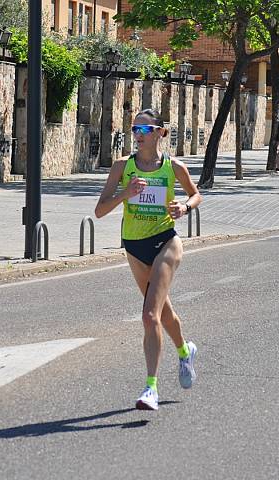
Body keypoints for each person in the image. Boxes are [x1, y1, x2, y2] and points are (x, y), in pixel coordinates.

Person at [95, 109, 202, 411]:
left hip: (166, 241)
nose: (138, 134)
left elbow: (196, 195)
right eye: (135, 128)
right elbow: (100, 210)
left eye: (145, 128)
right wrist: (124, 194)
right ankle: (185, 351)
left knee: (149, 316)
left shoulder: (173, 166)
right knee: (162, 311)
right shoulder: (122, 167)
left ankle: (150, 388)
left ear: (160, 133)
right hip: (134, 246)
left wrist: (184, 207)